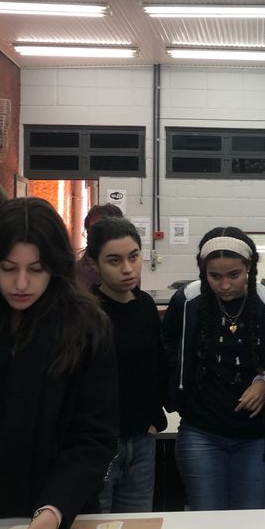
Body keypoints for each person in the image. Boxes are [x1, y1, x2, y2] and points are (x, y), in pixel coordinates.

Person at [0, 197, 118, 529]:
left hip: (55, 518)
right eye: (9, 268)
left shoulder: (86, 328)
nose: (21, 283)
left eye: (36, 269)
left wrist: (54, 509)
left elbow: (95, 436)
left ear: (56, 268)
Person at [162, 226, 265, 511]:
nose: (225, 285)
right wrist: (181, 393)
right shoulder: (188, 301)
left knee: (252, 522)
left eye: (234, 275)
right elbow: (168, 350)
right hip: (201, 432)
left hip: (256, 436)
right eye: (214, 276)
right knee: (206, 518)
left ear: (249, 269)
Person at [86, 217, 167, 513]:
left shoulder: (145, 305)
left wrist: (152, 418)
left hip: (141, 441)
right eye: (114, 260)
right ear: (94, 264)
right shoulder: (86, 312)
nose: (127, 269)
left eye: (133, 257)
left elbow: (155, 367)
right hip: (100, 445)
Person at [75, 202, 124, 290]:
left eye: (101, 231)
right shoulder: (78, 272)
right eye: (92, 231)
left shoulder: (127, 269)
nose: (96, 237)